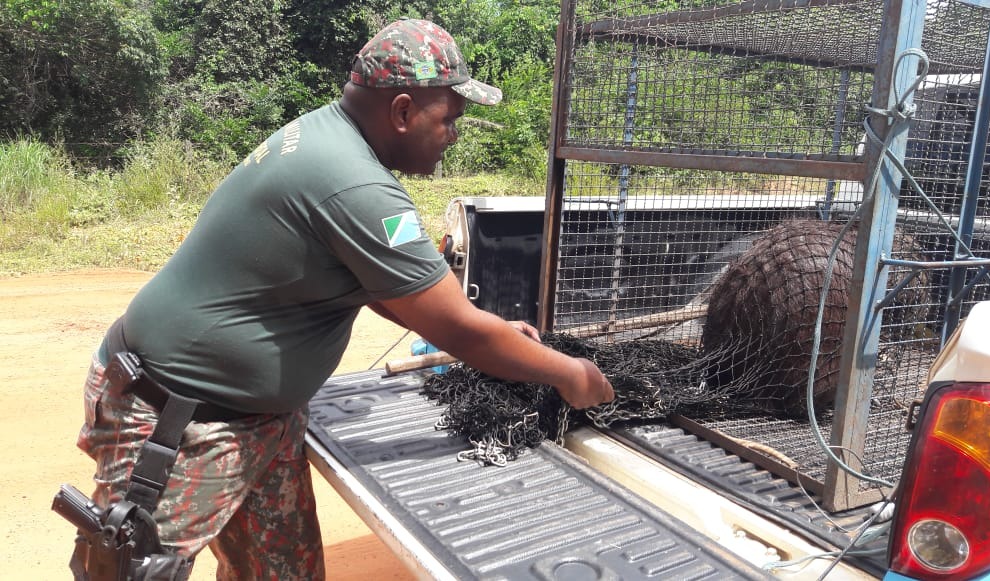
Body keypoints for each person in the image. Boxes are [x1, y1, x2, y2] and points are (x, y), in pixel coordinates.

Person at [72, 18, 615, 579]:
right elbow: (460, 332)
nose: (455, 133)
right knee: (134, 570)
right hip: (178, 419)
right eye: (449, 118)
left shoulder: (324, 137)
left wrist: (490, 328)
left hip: (257, 418)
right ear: (403, 112)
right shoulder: (355, 185)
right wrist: (569, 373)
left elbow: (394, 289)